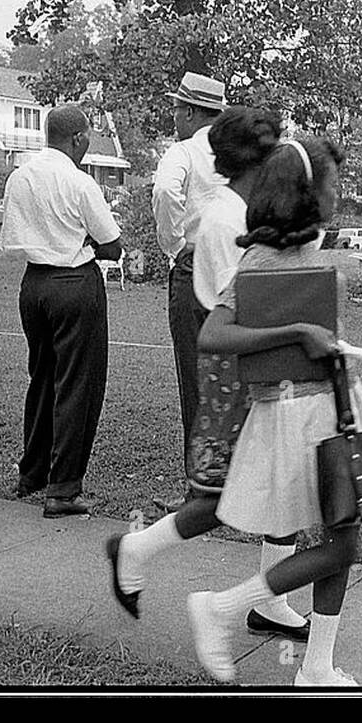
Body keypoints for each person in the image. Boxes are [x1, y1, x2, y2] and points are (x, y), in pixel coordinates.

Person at [105, 107, 311, 642]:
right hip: (238, 371)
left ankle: (274, 601)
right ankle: (136, 549)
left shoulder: (244, 210)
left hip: (258, 365)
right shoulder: (225, 220)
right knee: (224, 497)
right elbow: (237, 312)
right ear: (254, 158)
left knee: (284, 484)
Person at [186, 136, 362, 687]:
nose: (338, 193)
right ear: (303, 189)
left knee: (343, 537)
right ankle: (223, 608)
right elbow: (213, 333)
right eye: (332, 183)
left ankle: (316, 667)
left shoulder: (304, 246)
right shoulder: (264, 255)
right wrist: (297, 331)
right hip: (298, 413)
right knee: (342, 540)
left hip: (329, 401)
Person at [0, 105, 122, 518]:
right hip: (74, 285)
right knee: (78, 385)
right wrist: (83, 237)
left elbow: (13, 236)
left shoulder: (20, 176)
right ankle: (63, 489)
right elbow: (112, 245)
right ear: (77, 138)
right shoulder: (79, 182)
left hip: (33, 286)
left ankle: (31, 472)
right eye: (86, 137)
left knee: (43, 378)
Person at [152, 72, 229, 474]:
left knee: (194, 378)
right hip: (234, 270)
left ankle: (201, 482)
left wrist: (175, 245)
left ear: (191, 112)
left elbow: (165, 191)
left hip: (194, 265)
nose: (175, 116)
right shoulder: (239, 155)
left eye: (178, 109)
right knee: (233, 374)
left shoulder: (182, 152)